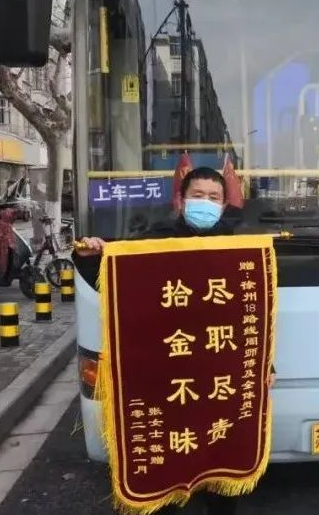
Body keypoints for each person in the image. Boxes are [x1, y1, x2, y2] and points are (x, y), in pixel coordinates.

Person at [74, 167, 275, 515]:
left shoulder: (238, 248)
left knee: (221, 444)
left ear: (223, 204)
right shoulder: (155, 242)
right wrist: (90, 259)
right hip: (170, 366)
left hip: (217, 366)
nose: (205, 203)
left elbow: (253, 315)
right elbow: (116, 283)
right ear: (182, 200)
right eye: (198, 195)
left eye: (213, 198)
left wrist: (264, 366)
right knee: (172, 448)